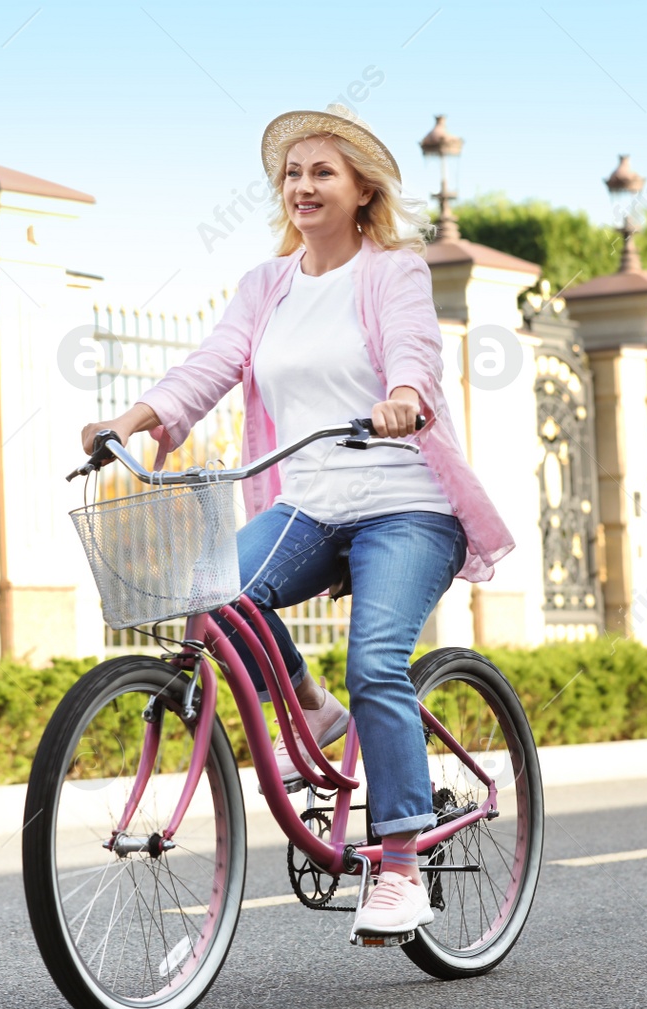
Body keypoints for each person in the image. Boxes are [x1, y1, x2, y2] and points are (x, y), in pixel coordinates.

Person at [80, 104, 513, 937]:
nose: (303, 186)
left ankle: (398, 864)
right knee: (212, 594)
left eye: (323, 173)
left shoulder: (395, 272)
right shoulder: (265, 286)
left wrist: (404, 398)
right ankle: (309, 706)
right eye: (292, 174)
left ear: (360, 191)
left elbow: (414, 349)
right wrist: (133, 420)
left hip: (405, 503)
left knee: (378, 663)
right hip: (309, 504)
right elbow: (212, 364)